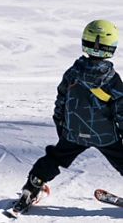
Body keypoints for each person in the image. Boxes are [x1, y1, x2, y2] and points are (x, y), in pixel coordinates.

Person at [9, 21, 122, 215]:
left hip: (74, 133)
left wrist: (62, 127)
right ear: (112, 47)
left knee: (54, 158)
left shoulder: (72, 72)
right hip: (105, 135)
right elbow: (121, 110)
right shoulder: (112, 79)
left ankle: (32, 188)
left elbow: (61, 101)